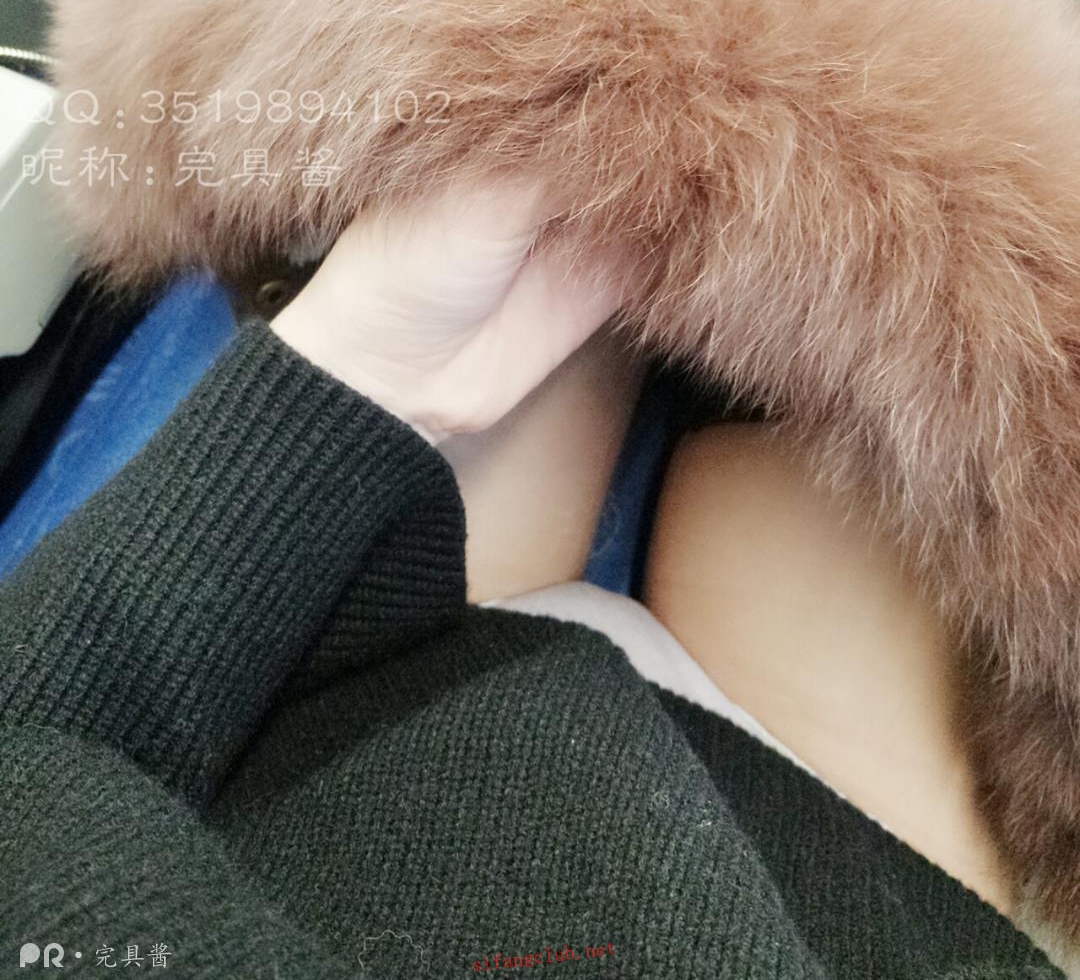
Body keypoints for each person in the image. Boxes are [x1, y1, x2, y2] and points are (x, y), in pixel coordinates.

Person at [0, 180, 1060, 979]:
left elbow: (38, 777)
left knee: (603, 213)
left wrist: (356, 365)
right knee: (911, 370)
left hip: (370, 747)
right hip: (849, 894)